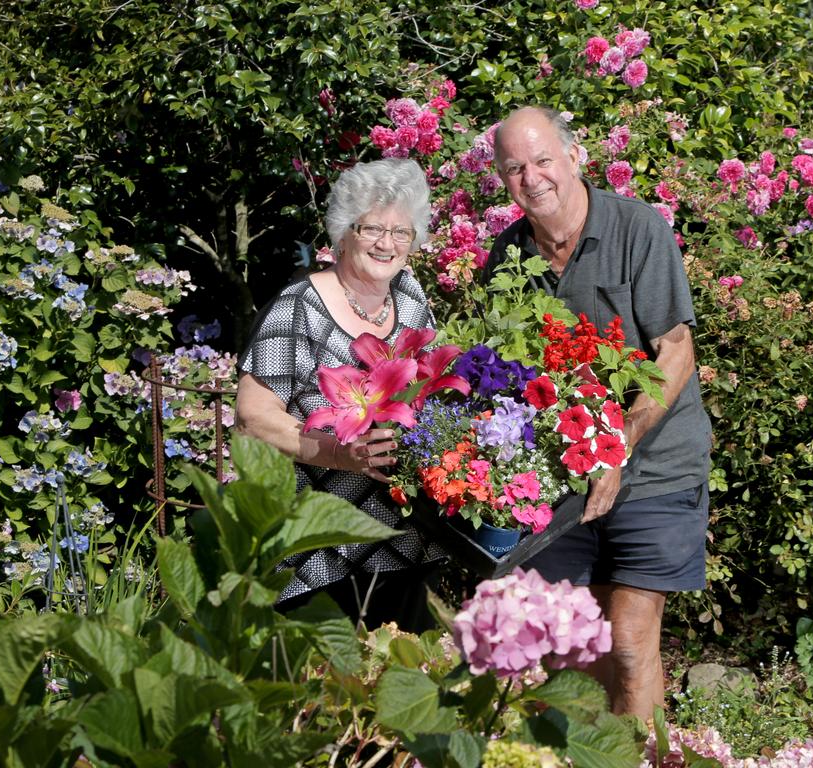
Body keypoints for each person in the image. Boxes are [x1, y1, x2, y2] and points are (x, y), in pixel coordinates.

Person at [485, 106, 712, 720]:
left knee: (631, 643)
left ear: (575, 158)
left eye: (542, 161)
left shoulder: (638, 229)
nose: (532, 178)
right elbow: (507, 381)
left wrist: (617, 444)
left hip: (655, 466)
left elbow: (676, 353)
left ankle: (644, 761)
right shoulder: (507, 258)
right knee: (572, 653)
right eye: (514, 168)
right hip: (565, 479)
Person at [236, 157, 443, 632]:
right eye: (372, 228)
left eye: (401, 233)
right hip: (320, 548)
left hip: (408, 542)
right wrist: (341, 453)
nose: (386, 244)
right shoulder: (297, 307)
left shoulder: (412, 299)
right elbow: (253, 418)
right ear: (344, 231)